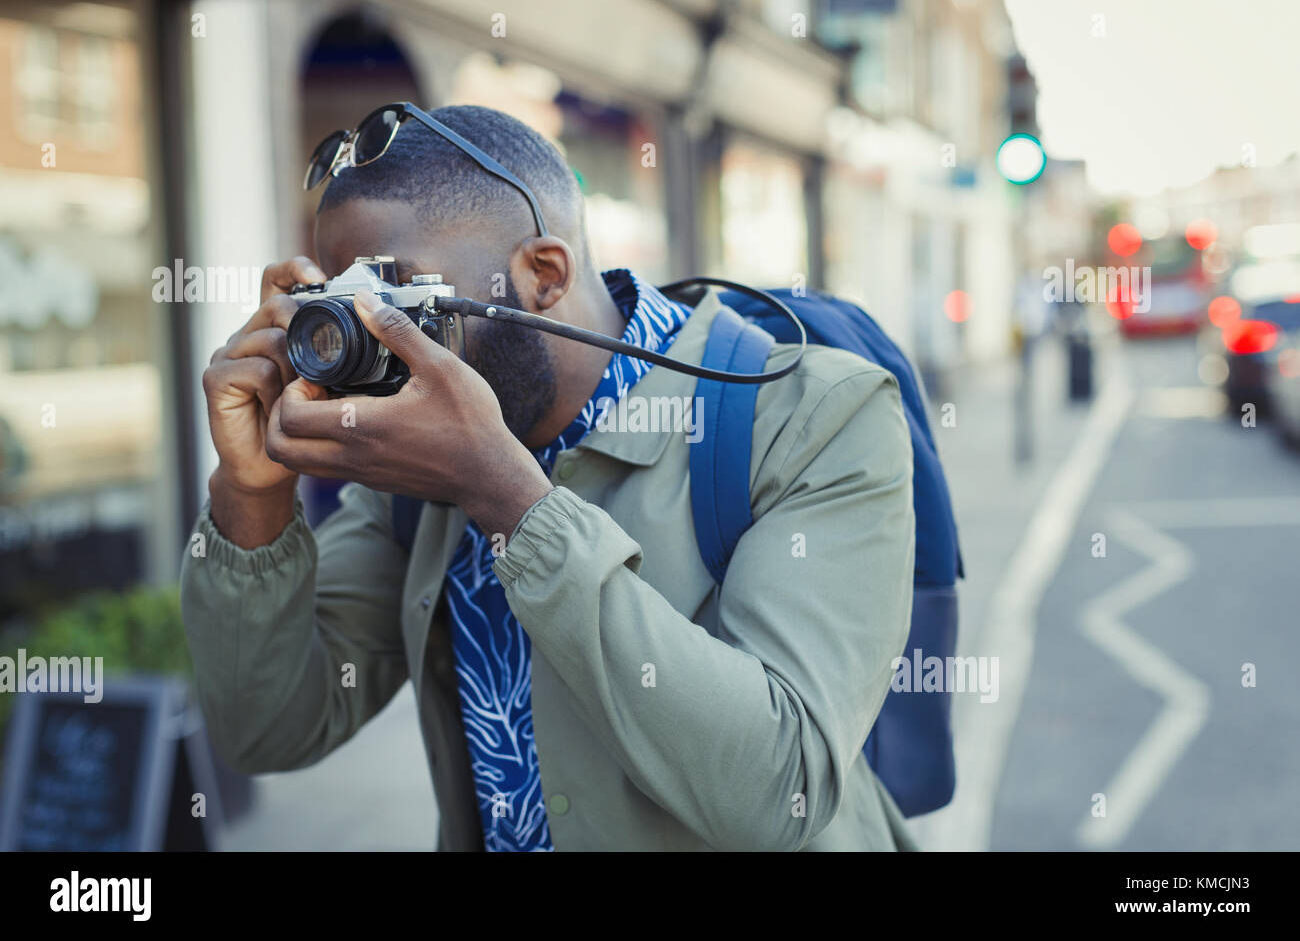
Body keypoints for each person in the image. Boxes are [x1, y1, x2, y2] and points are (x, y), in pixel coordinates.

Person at [180, 104, 917, 851]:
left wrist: (506, 498)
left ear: (542, 274)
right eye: (346, 302)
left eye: (399, 298)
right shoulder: (414, 466)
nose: (373, 339)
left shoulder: (811, 415)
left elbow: (780, 789)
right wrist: (252, 493)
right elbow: (268, 734)